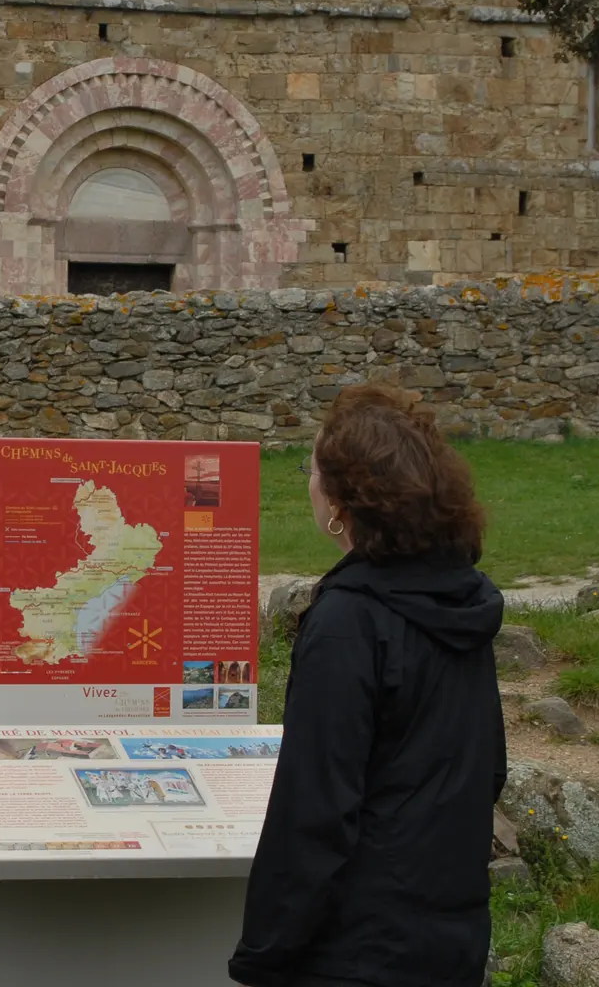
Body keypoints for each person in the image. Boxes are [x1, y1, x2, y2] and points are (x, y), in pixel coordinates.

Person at [230, 384, 506, 987]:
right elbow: (487, 771)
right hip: (450, 933)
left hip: (357, 948)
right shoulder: (464, 602)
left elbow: (316, 809)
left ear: (340, 503)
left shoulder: (347, 622)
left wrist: (265, 952)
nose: (308, 481)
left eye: (312, 469)